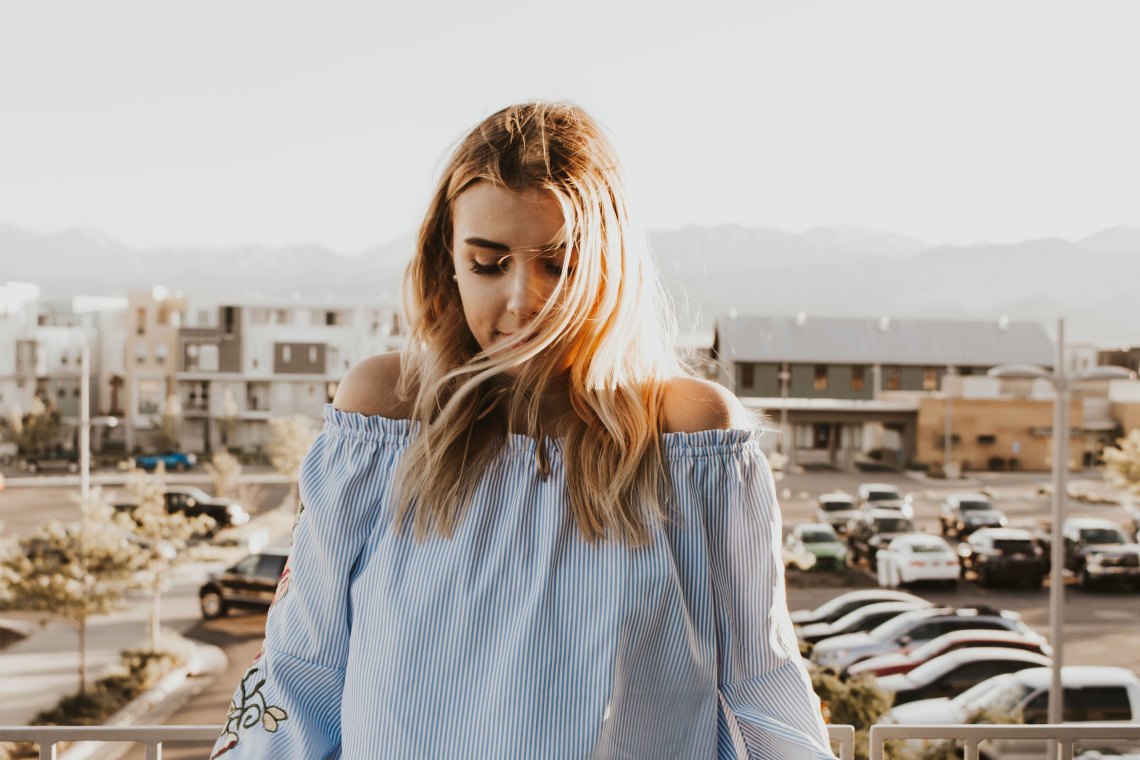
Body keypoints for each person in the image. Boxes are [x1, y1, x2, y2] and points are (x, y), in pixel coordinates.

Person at [211, 101, 835, 759]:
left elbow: (763, 688)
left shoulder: (691, 442)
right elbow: (299, 671)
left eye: (557, 265)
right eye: (488, 263)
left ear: (610, 265)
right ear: (447, 263)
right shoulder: (383, 420)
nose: (522, 301)